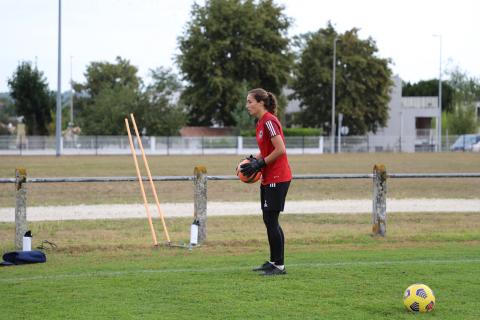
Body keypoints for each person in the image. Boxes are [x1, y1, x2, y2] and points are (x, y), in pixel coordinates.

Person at [240, 88, 292, 276]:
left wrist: (259, 163)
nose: (247, 106)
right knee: (268, 220)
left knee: (272, 220)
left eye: (250, 101)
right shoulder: (261, 122)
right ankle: (274, 262)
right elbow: (268, 149)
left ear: (261, 102)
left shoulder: (269, 121)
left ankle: (279, 266)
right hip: (268, 177)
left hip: (278, 177)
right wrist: (255, 159)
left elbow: (280, 149)